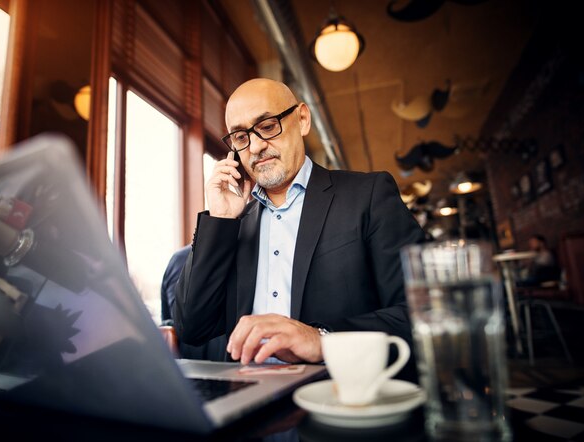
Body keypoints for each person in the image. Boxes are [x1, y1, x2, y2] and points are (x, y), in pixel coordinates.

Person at [173, 78, 424, 377]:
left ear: (302, 119)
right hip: (249, 403)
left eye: (267, 126)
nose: (255, 146)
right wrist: (219, 220)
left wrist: (321, 340)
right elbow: (191, 328)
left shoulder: (368, 195)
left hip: (340, 396)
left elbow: (423, 313)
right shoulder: (231, 226)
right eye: (241, 137)